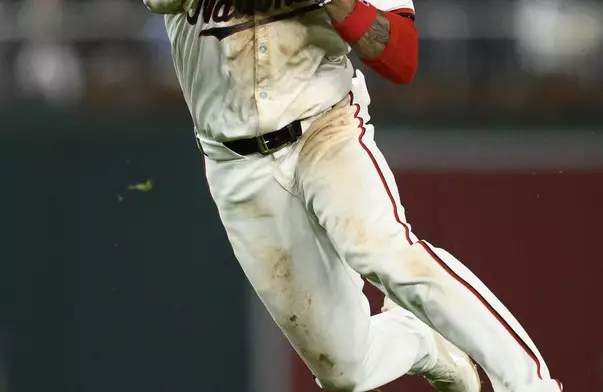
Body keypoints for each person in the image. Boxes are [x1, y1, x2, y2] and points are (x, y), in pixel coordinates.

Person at [143, 0, 563, 390]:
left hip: (326, 128)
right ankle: (419, 339)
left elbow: (401, 57)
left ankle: (531, 383)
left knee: (382, 250)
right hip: (236, 162)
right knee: (345, 372)